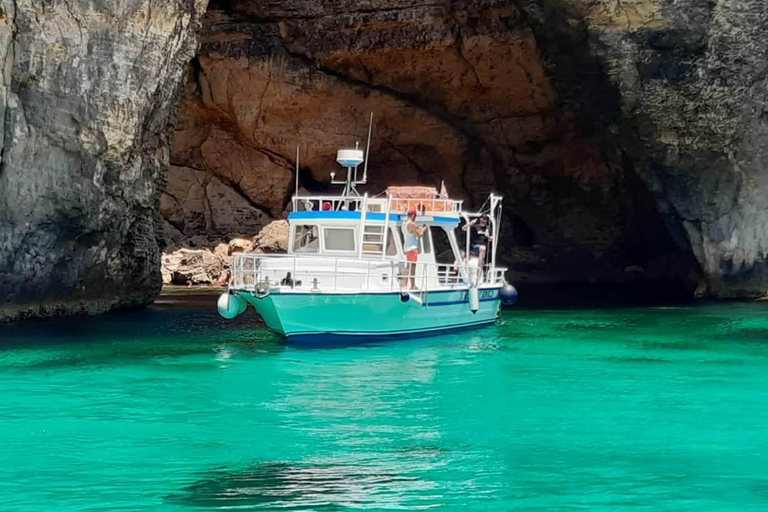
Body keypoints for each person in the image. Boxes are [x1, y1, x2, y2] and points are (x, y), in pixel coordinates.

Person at [401, 207, 427, 290]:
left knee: (408, 266)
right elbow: (419, 235)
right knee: (412, 267)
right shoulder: (412, 224)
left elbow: (414, 231)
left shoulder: (404, 223)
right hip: (412, 248)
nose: (415, 217)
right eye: (415, 215)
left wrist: (419, 229)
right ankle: (412, 286)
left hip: (407, 247)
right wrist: (423, 229)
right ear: (412, 215)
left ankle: (404, 284)